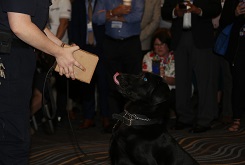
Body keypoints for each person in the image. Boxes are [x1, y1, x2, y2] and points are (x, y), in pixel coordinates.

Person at [0, 1, 83, 164]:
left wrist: (63, 48)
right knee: (12, 137)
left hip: (16, 57)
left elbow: (37, 26)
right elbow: (20, 26)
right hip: (9, 58)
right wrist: (58, 52)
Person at [162, 0, 222, 133]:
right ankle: (184, 117)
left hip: (201, 38)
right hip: (180, 37)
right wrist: (175, 12)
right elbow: (164, 11)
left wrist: (198, 10)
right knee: (182, 80)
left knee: (204, 81)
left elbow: (216, 8)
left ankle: (205, 119)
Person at [93, 0, 145, 119]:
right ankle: (116, 119)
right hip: (111, 44)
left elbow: (137, 16)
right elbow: (96, 18)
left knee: (133, 82)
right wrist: (114, 12)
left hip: (130, 43)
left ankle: (133, 119)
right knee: (112, 83)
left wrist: (110, 16)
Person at [68, 0, 111, 130]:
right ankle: (88, 117)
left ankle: (106, 116)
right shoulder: (78, 4)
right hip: (84, 48)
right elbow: (73, 26)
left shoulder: (103, 2)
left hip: (101, 48)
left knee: (104, 84)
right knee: (86, 84)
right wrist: (75, 47)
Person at [218, 0, 245, 131]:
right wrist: (235, 13)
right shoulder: (233, 1)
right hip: (238, 48)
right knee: (238, 83)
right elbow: (223, 22)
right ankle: (237, 119)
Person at [142, 28, 176, 116]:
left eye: (162, 44)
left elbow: (176, 80)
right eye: (156, 44)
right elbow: (146, 78)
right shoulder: (148, 56)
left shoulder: (175, 56)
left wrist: (162, 77)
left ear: (168, 45)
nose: (159, 47)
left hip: (173, 89)